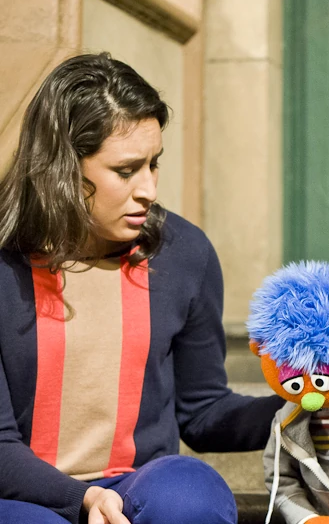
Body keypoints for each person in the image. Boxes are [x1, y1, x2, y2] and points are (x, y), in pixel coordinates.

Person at [0, 52, 285, 524]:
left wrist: (301, 409)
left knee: (189, 495)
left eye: (154, 164)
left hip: (138, 485)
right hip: (22, 498)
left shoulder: (184, 254)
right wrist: (82, 497)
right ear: (62, 167)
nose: (148, 189)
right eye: (126, 170)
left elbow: (202, 410)